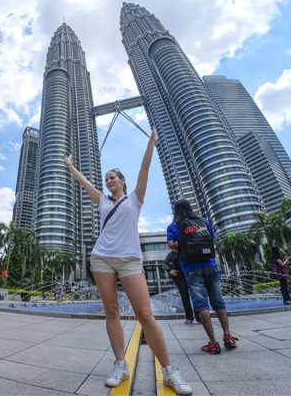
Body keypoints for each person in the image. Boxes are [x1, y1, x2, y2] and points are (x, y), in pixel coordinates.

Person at [64, 127, 191, 394]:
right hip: (101, 259)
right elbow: (83, 181)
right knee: (112, 312)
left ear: (122, 181)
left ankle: (169, 371)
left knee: (145, 314)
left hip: (130, 261)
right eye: (106, 178)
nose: (108, 180)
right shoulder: (101, 201)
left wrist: (151, 142)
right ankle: (120, 365)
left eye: (113, 177)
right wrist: (70, 166)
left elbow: (144, 168)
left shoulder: (135, 199)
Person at [167, 199, 236, 358]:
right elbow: (212, 238)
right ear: (190, 208)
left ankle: (213, 342)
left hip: (191, 268)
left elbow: (171, 245)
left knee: (201, 304)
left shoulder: (173, 226)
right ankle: (228, 336)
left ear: (175, 211)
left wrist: (183, 248)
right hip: (210, 264)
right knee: (218, 302)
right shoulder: (203, 221)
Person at [163, 250, 195, 324]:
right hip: (179, 277)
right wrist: (170, 270)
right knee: (185, 297)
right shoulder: (171, 253)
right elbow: (164, 264)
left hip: (190, 275)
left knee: (195, 295)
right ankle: (189, 317)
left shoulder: (186, 250)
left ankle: (199, 316)